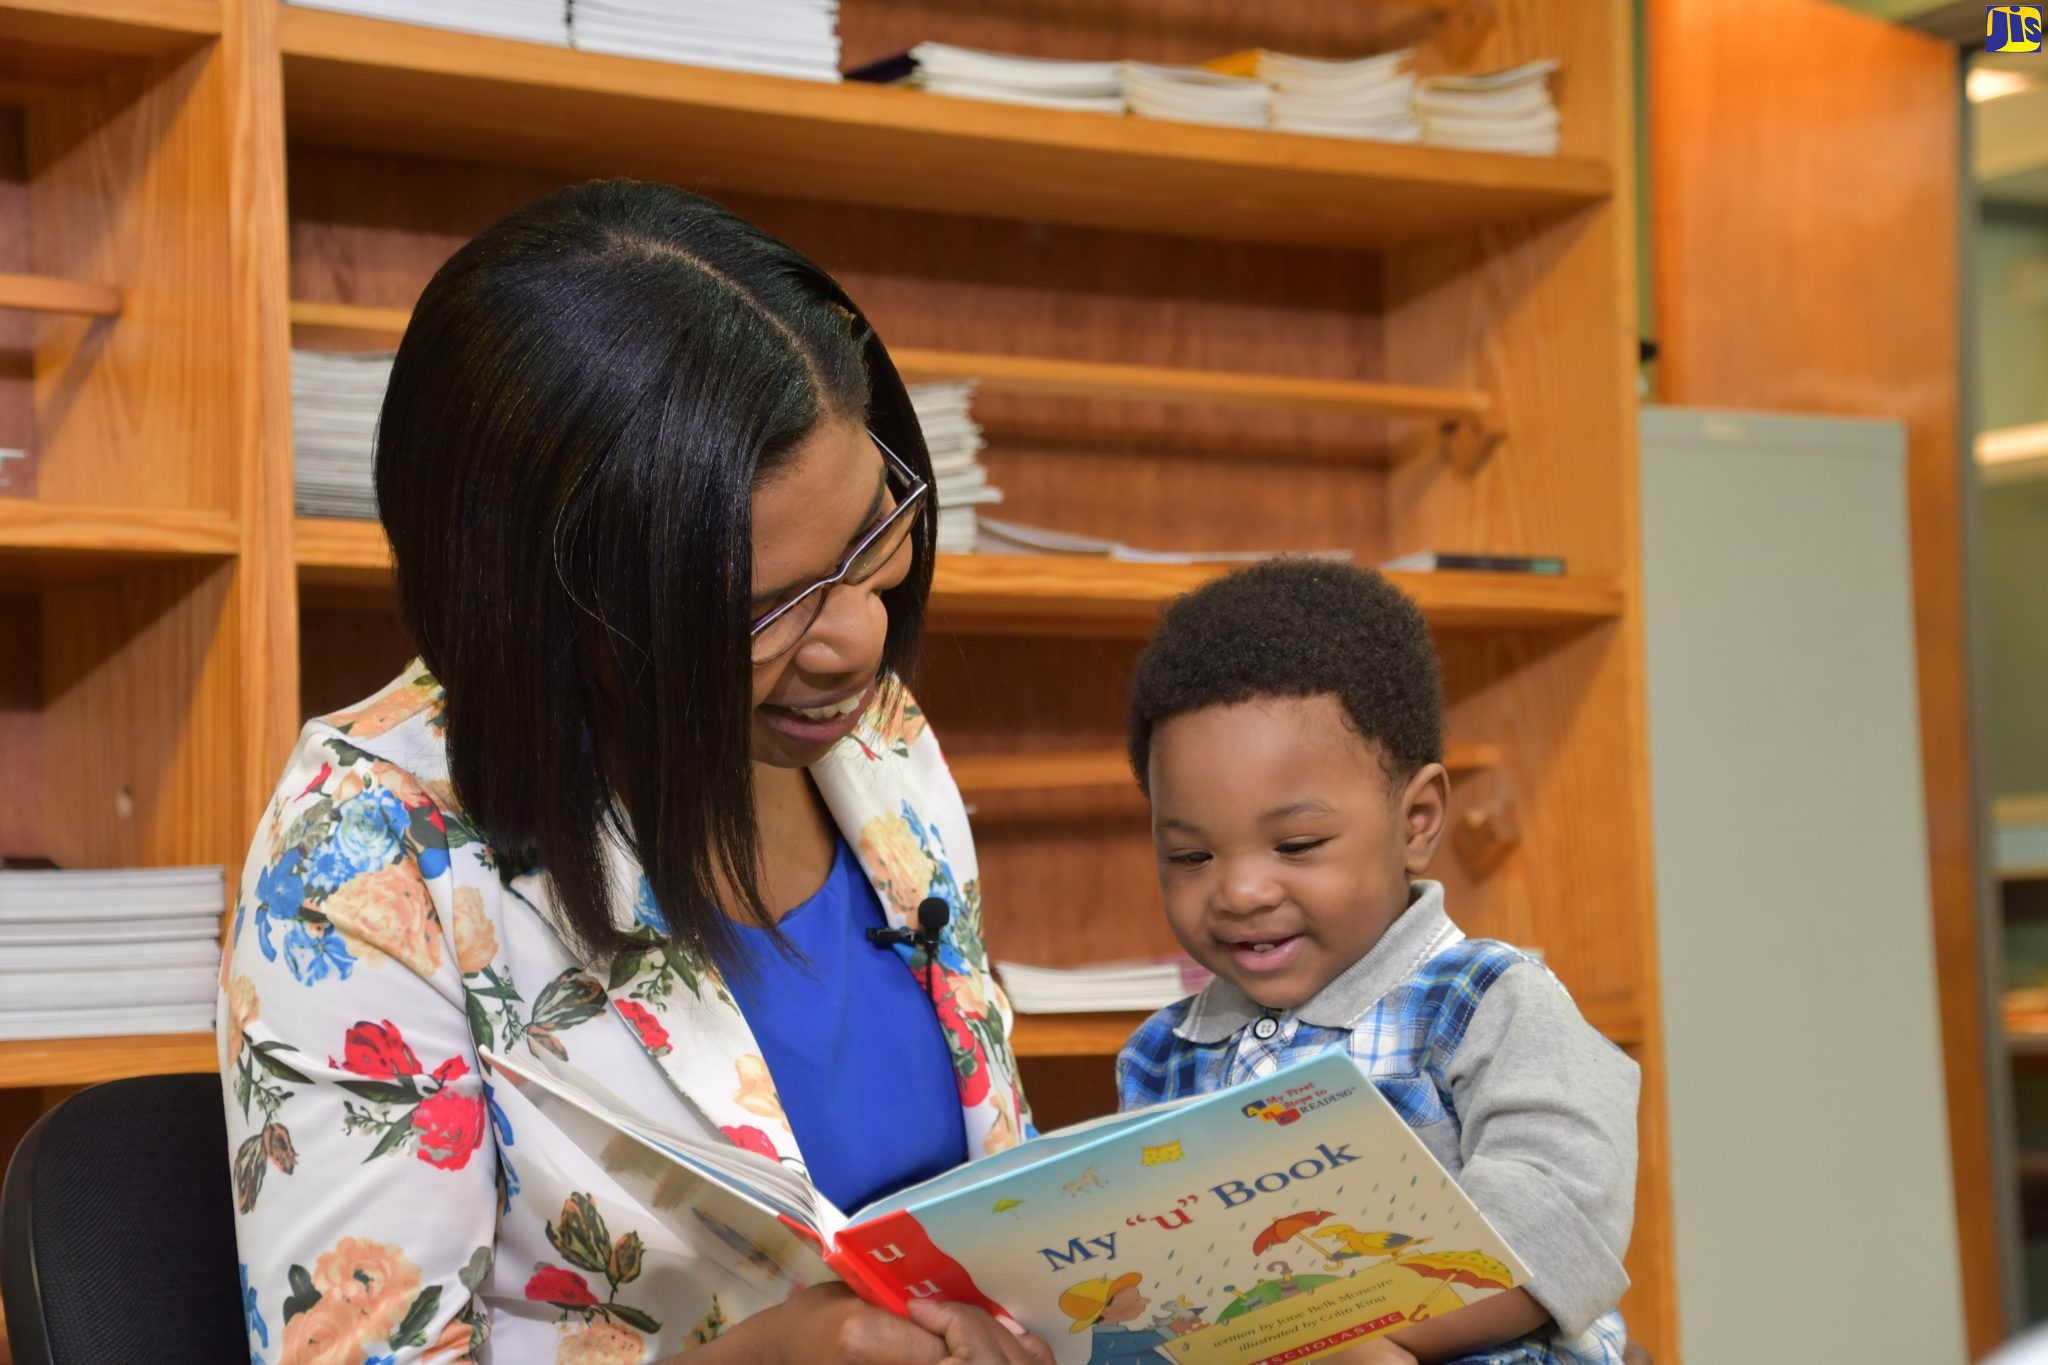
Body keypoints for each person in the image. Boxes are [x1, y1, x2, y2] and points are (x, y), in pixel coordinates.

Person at [218, 179, 1045, 1365]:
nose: (859, 637)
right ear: (547, 613)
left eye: (873, 535)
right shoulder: (363, 854)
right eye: (762, 607)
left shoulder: (870, 735)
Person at [1113, 562, 1638, 1365]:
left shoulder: (1488, 1003)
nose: (1241, 890)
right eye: (1190, 855)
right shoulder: (1160, 1057)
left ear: (1416, 820)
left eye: (1297, 844)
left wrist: (1358, 1338)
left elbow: (1558, 1222)